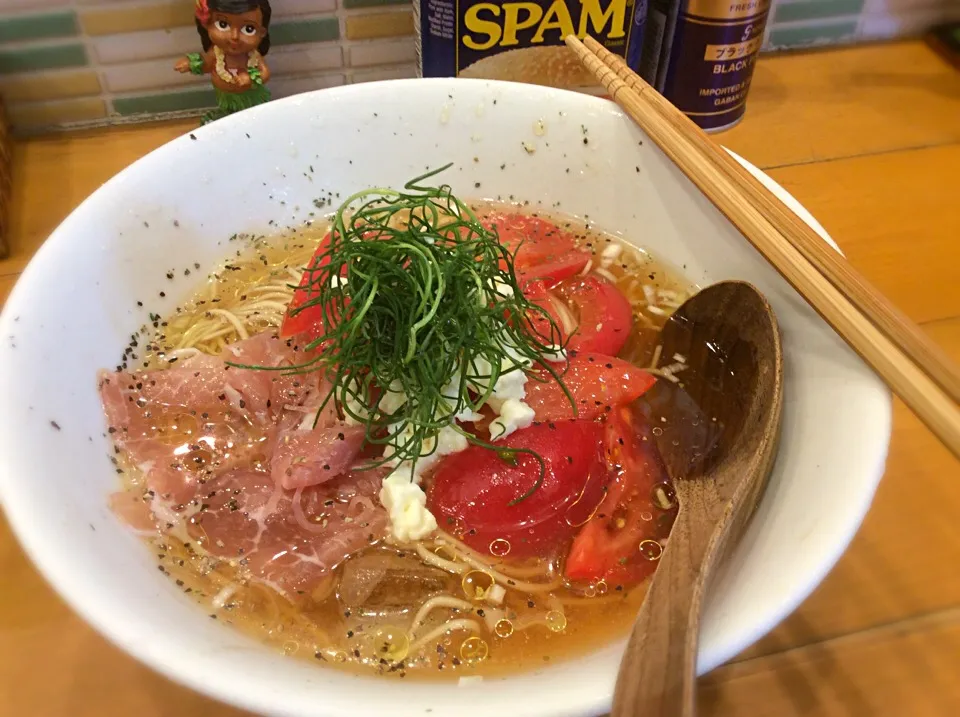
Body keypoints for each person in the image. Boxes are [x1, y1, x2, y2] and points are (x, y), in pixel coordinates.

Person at [175, 0, 272, 125]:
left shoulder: (253, 56)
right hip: (226, 98)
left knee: (254, 118)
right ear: (207, 24)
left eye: (248, 29)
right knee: (228, 117)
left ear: (262, 32)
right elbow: (205, 64)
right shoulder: (215, 53)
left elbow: (265, 73)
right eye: (223, 24)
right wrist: (190, 64)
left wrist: (250, 79)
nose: (234, 36)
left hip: (251, 99)